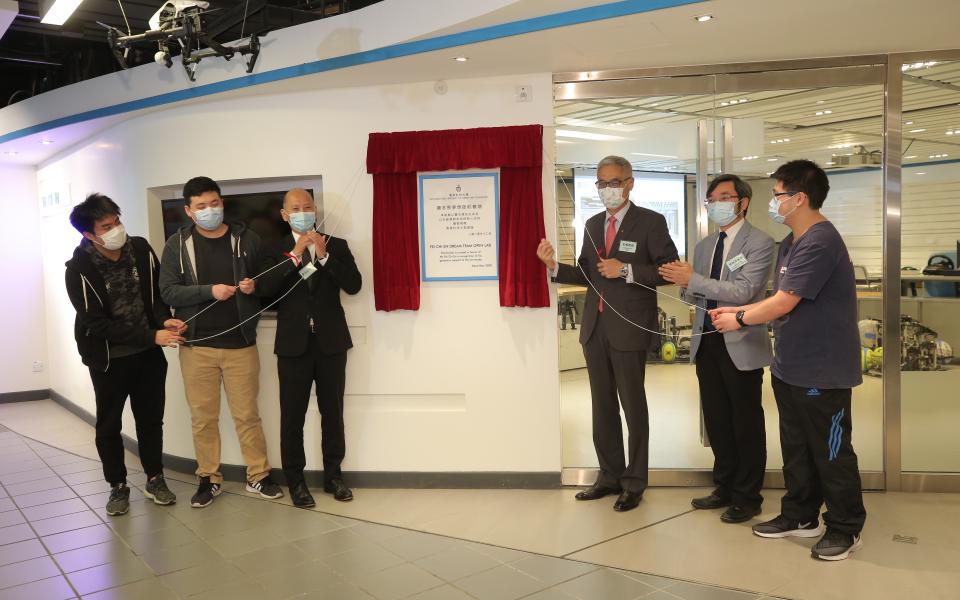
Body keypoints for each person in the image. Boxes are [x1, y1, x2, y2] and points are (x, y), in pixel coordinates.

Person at [710, 160, 866, 561]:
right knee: (796, 448)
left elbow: (785, 300)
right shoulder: (791, 242)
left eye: (778, 195)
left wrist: (739, 316)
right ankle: (800, 515)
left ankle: (846, 527)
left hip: (823, 369)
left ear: (799, 198)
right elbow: (780, 304)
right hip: (790, 365)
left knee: (830, 452)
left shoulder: (820, 241)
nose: (773, 202)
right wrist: (748, 312)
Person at [537, 155, 679, 512]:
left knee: (633, 408)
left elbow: (668, 270)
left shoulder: (651, 222)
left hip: (629, 328)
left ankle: (634, 481)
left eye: (613, 182)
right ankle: (609, 476)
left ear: (630, 183)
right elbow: (589, 273)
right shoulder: (592, 223)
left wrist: (627, 270)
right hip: (595, 329)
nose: (606, 190)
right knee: (602, 408)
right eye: (601, 183)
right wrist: (555, 267)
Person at [158, 176, 283, 507]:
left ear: (222, 203)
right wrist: (209, 290)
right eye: (201, 206)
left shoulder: (247, 239)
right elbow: (168, 290)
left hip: (241, 345)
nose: (209, 210)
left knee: (247, 415)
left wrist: (255, 287)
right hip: (196, 347)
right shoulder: (176, 244)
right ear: (189, 210)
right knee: (203, 418)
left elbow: (269, 277)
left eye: (214, 203)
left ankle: (258, 476)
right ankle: (208, 478)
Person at [659, 174, 774, 524]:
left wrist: (692, 280)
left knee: (745, 422)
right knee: (718, 421)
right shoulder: (705, 245)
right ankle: (723, 486)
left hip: (741, 343)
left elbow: (743, 291)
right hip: (706, 343)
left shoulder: (761, 242)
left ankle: (747, 496)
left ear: (743, 202)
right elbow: (698, 294)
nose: (716, 204)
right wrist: (683, 284)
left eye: (724, 197)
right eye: (711, 199)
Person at [65, 193, 183, 516]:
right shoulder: (78, 270)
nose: (117, 229)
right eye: (107, 225)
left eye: (117, 221)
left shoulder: (141, 249)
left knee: (150, 421)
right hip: (108, 361)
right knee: (108, 425)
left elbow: (156, 297)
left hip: (148, 356)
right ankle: (117, 485)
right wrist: (152, 334)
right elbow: (97, 324)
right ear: (89, 234)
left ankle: (155, 478)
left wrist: (163, 319)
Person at [257, 189, 362, 507]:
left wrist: (324, 255)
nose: (303, 212)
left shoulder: (337, 245)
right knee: (292, 416)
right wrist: (294, 254)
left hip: (331, 343)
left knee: (334, 413)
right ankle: (296, 482)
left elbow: (354, 285)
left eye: (308, 207)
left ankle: (334, 478)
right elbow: (264, 291)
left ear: (315, 210)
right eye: (296, 208)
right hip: (293, 346)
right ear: (285, 214)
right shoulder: (273, 248)